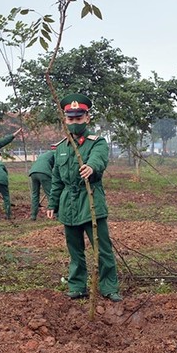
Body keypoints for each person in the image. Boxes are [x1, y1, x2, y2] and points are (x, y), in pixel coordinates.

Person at [46, 93, 122, 302]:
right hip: (68, 205)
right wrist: (52, 203)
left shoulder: (97, 143)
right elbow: (56, 179)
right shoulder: (60, 147)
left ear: (87, 118)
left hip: (91, 202)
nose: (74, 123)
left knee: (102, 249)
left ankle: (108, 287)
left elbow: (99, 159)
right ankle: (78, 286)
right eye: (70, 119)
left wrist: (91, 167)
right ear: (65, 120)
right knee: (75, 250)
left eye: (78, 119)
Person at [29, 144, 56, 220]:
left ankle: (33, 216)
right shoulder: (56, 153)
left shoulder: (45, 154)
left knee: (35, 194)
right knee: (51, 193)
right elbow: (58, 167)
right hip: (44, 173)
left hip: (33, 172)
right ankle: (57, 214)